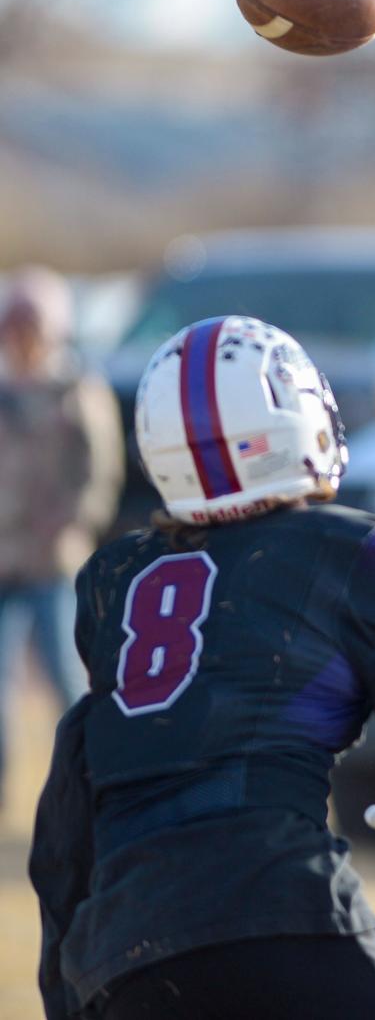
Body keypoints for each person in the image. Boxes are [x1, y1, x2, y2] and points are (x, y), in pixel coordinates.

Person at [29, 314, 375, 1020]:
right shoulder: (359, 551)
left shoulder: (114, 578)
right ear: (297, 416)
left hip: (118, 950)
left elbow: (71, 804)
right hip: (277, 903)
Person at [0, 266, 123, 809]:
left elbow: (101, 473)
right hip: (4, 558)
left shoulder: (77, 390)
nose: (22, 341)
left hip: (54, 560)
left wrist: (71, 521)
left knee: (68, 682)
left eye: (31, 328)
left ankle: (91, 791)